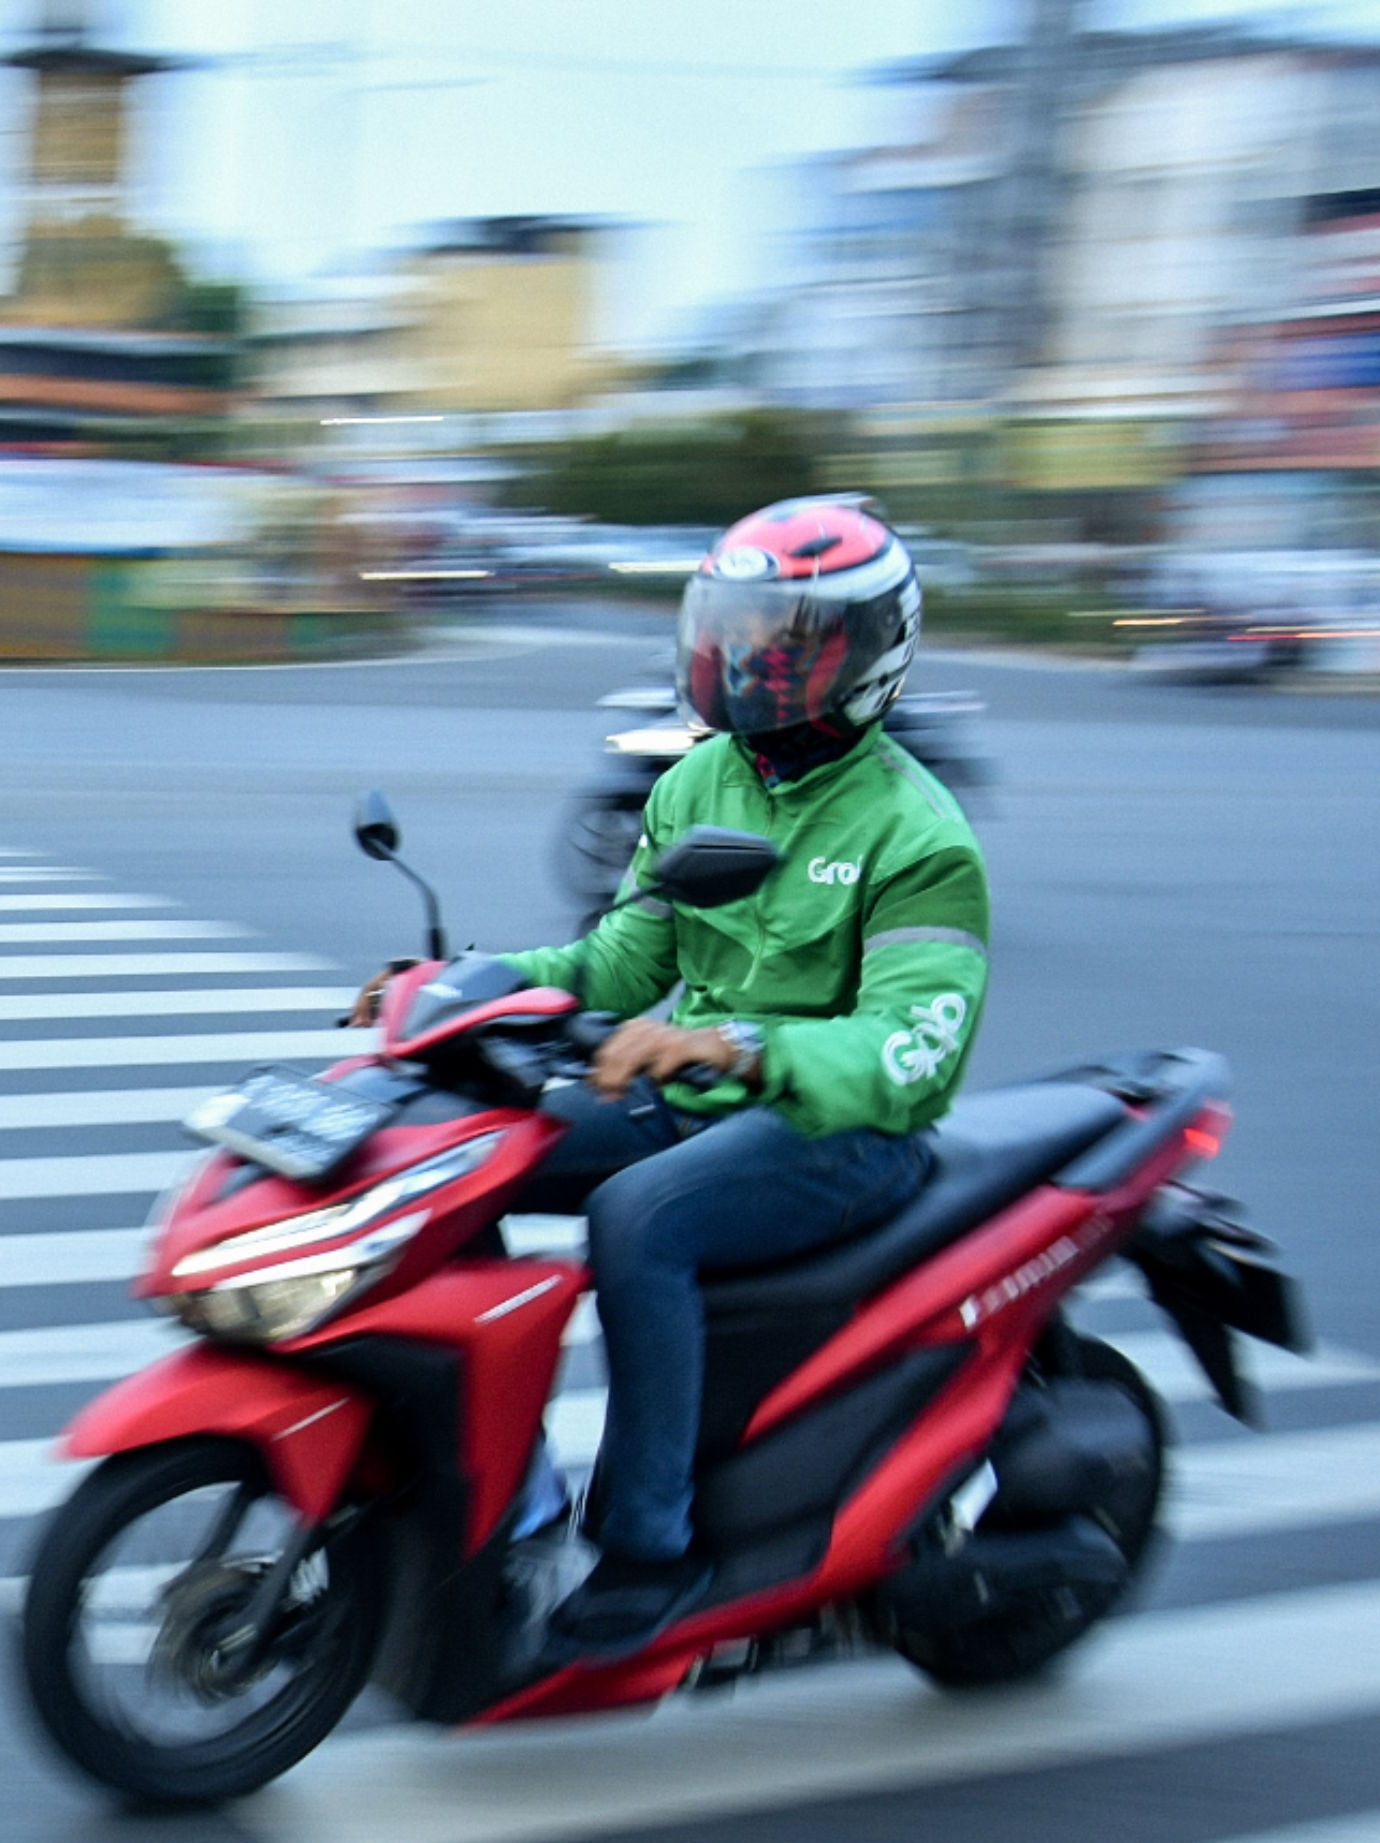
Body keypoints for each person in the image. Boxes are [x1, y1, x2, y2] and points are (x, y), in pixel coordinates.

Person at [355, 496, 991, 1664]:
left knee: (639, 1220)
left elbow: (913, 1050)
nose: (751, 657)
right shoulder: (699, 782)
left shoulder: (920, 836)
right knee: (450, 1157)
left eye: (787, 637)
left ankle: (653, 1545)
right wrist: (458, 985)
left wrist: (738, 1045)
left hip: (838, 1130)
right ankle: (506, 1493)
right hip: (687, 1094)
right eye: (737, 628)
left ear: (865, 653)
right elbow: (618, 963)